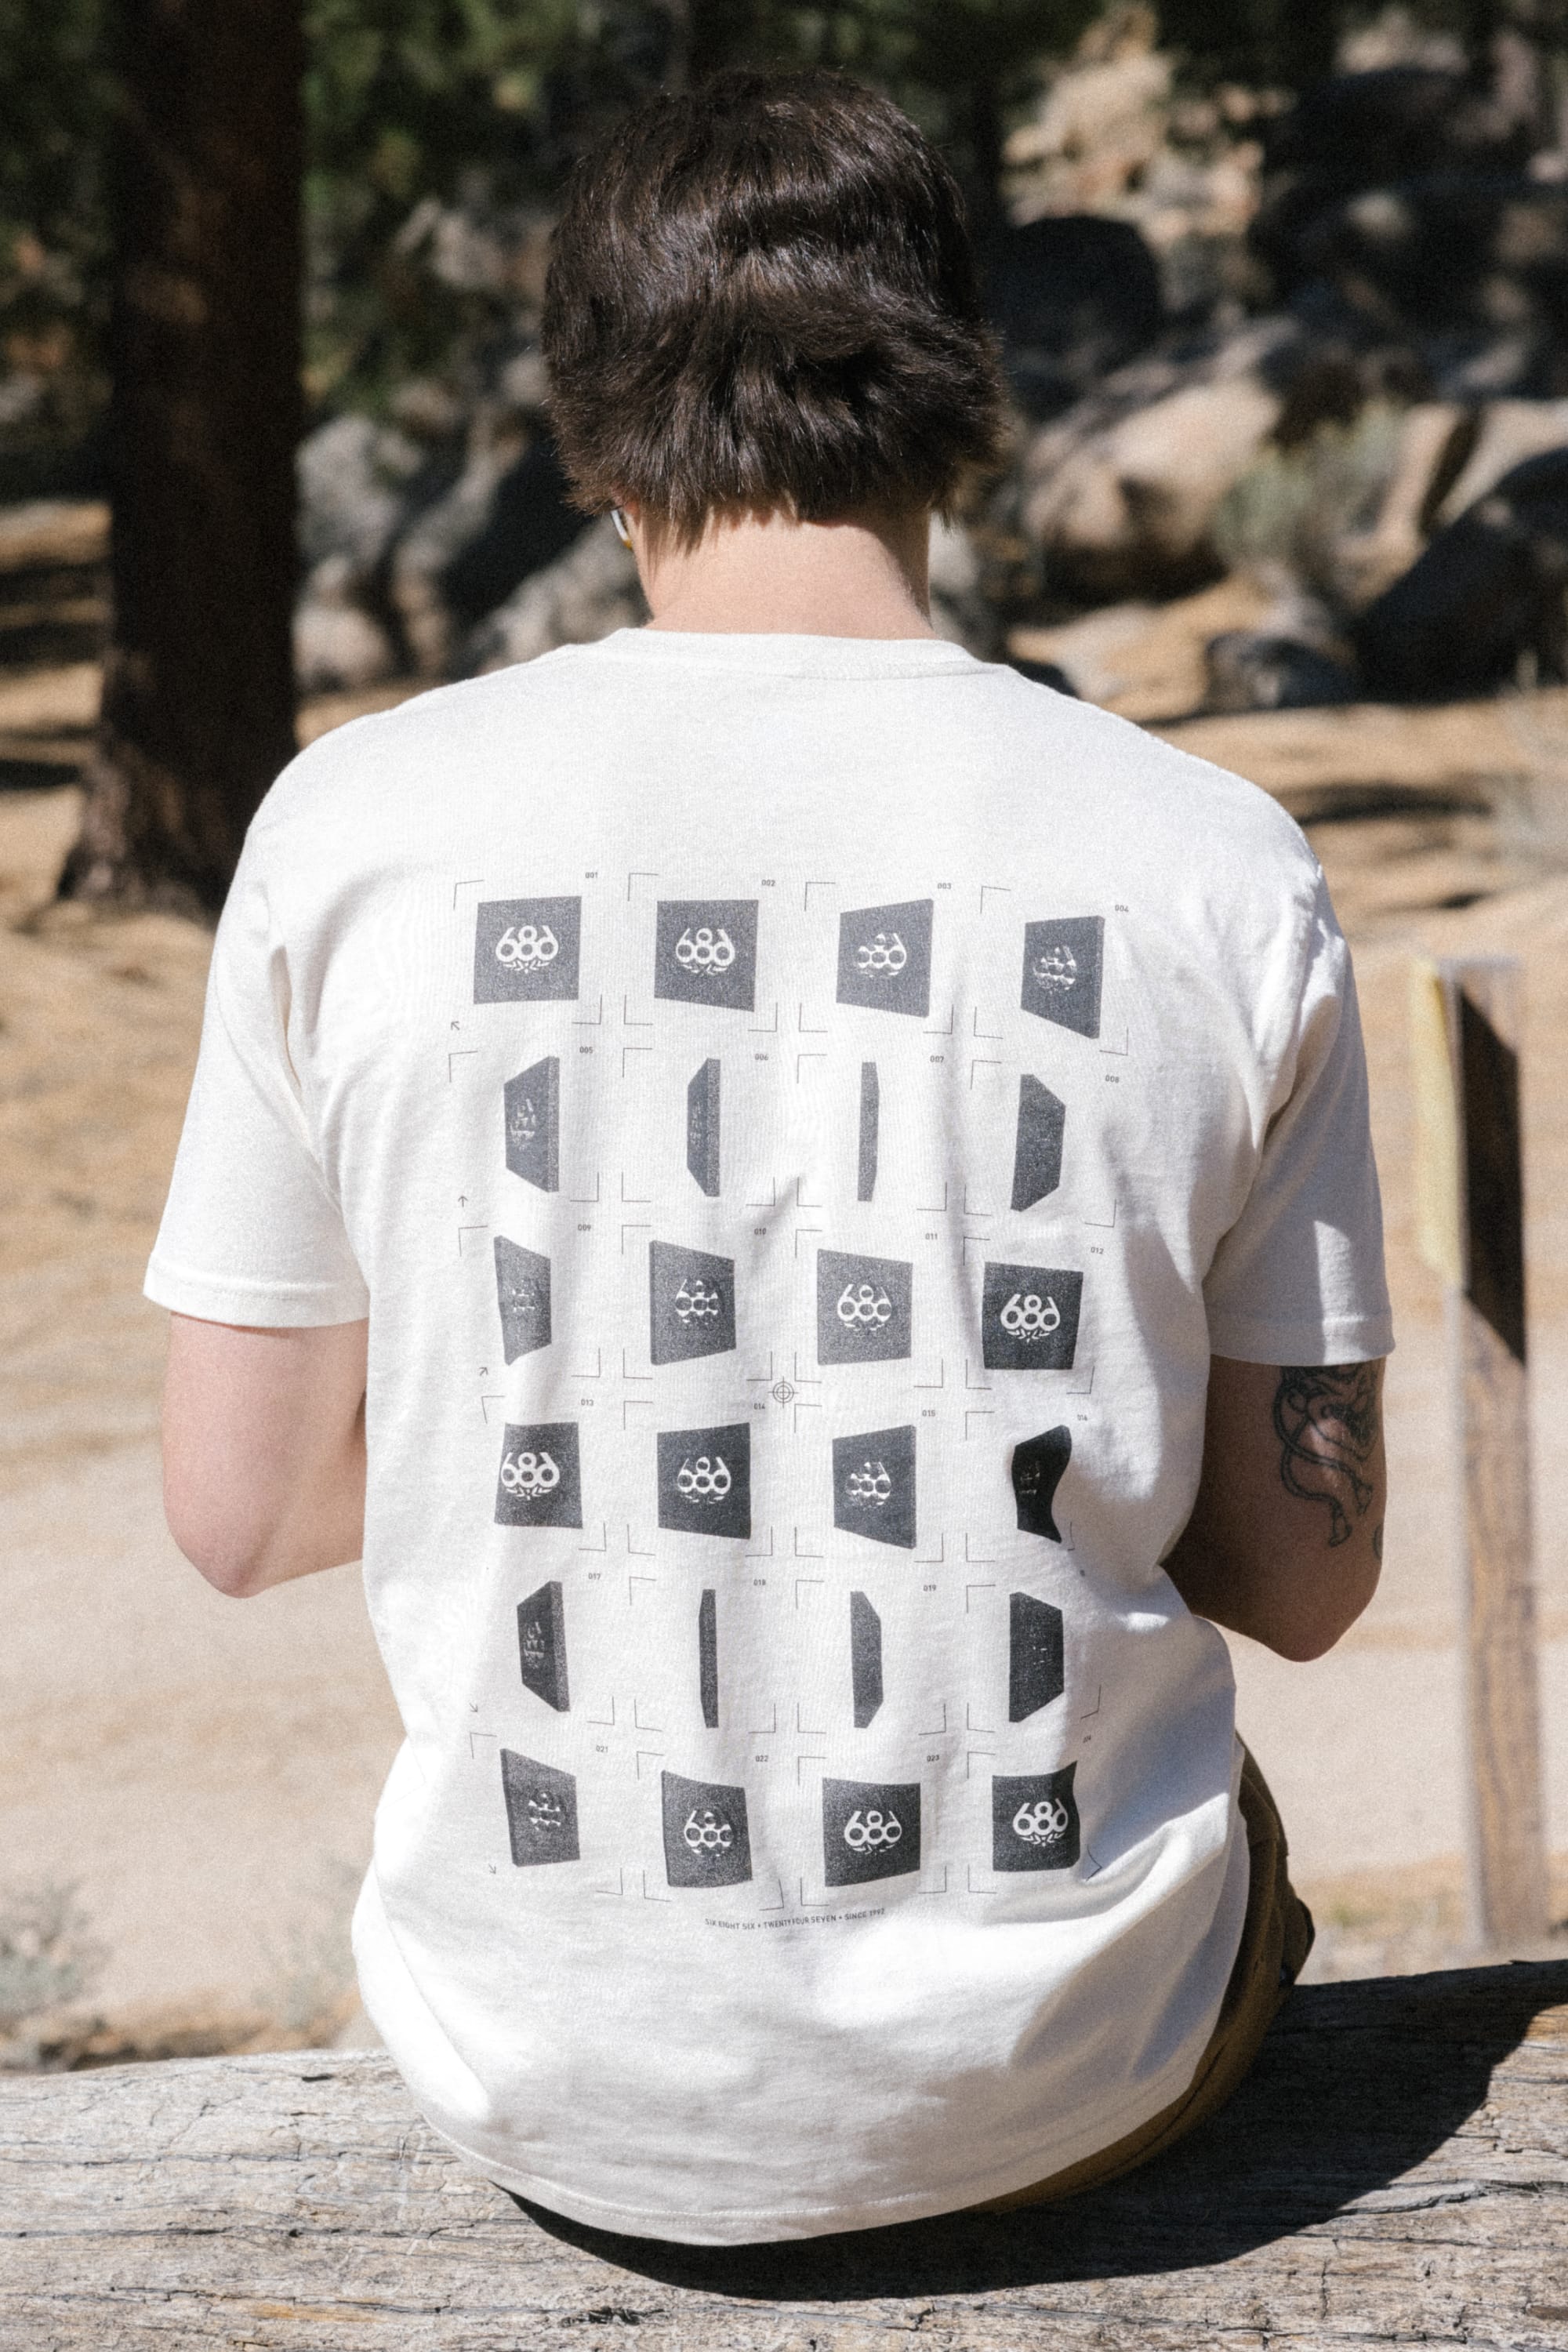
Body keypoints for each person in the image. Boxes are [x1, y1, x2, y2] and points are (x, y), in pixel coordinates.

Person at [147, 67, 1391, 2245]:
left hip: (543, 2076)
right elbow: (1304, 1576)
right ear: (953, 401)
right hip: (1062, 2081)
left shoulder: (354, 830)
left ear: (602, 445)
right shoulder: (1214, 864)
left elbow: (240, 1510)